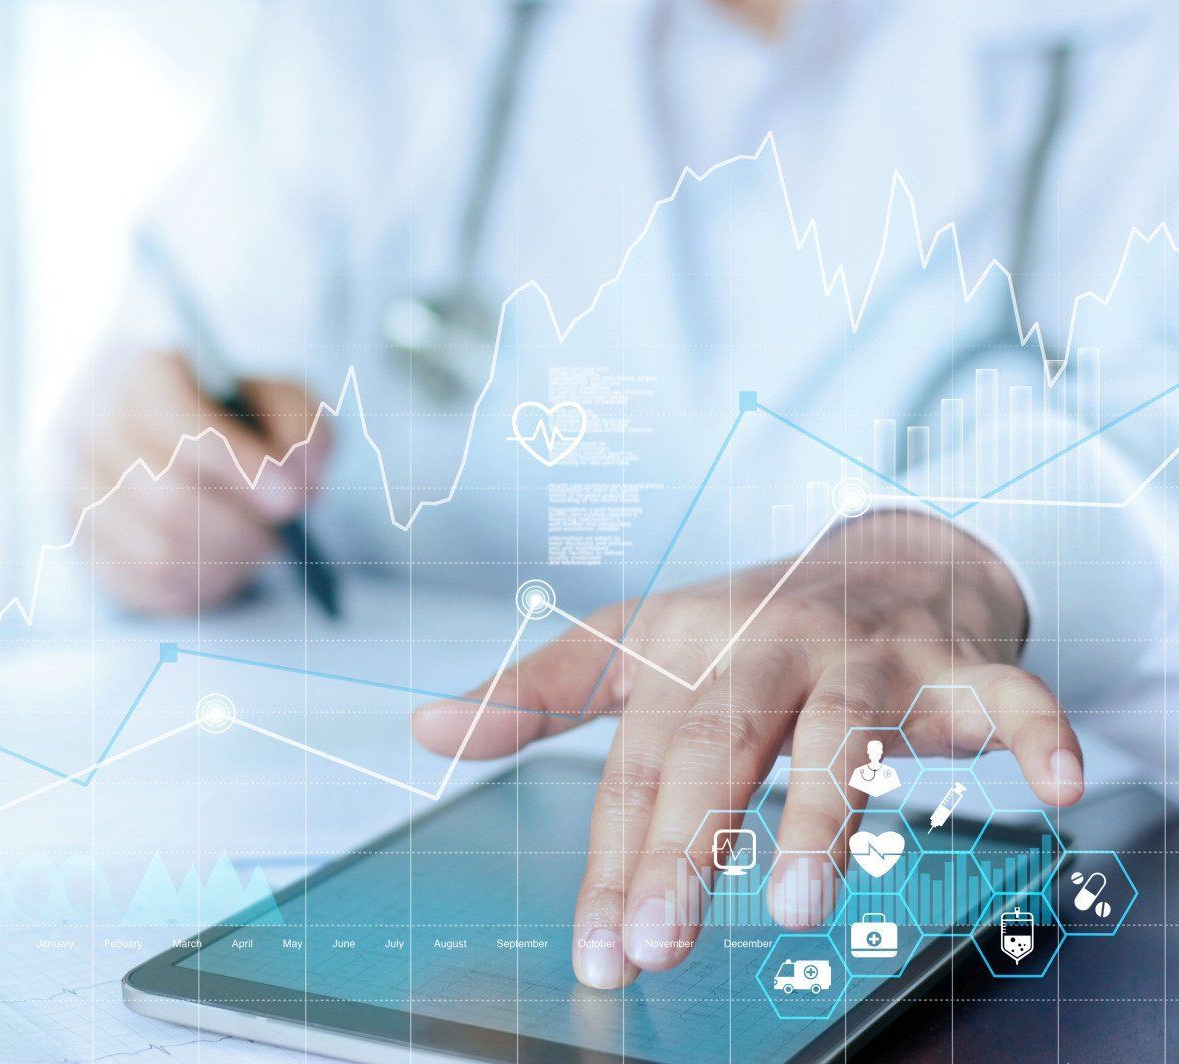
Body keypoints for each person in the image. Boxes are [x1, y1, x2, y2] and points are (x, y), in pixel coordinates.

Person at [65, 0, 1179, 989]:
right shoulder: (381, 33)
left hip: (991, 901)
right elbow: (166, 388)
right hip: (411, 902)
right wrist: (152, 504)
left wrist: (927, 567)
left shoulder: (1138, 47)